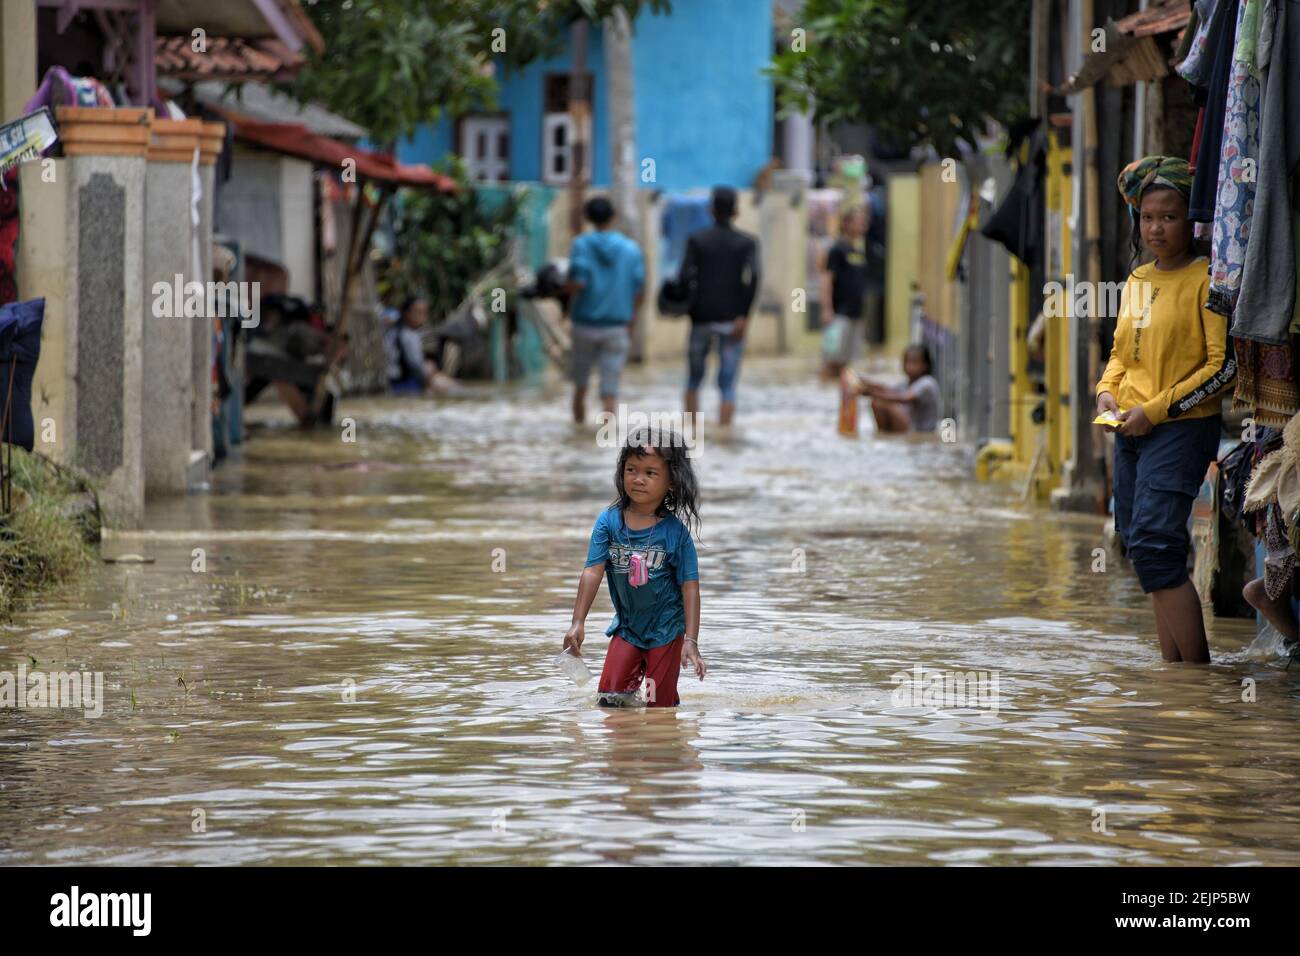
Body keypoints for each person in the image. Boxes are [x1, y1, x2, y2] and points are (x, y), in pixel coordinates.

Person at [1097, 155, 1234, 664]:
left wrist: (1153, 410)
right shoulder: (1136, 279)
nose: (1156, 227)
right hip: (1128, 428)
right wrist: (1105, 393)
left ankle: (1195, 678)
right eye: (1148, 217)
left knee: (1157, 544)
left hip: (1180, 430)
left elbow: (1223, 370)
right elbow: (1120, 353)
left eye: (1169, 216)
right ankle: (1174, 678)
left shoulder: (1208, 279)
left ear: (1190, 222)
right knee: (1141, 546)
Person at [563, 430, 705, 708]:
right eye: (631, 469)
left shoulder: (676, 534)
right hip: (627, 628)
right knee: (609, 701)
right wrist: (578, 621)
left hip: (665, 631)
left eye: (650, 473)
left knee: (659, 710)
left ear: (672, 483)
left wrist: (691, 640)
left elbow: (690, 587)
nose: (638, 479)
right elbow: (593, 571)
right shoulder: (608, 521)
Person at [680, 185, 760, 427]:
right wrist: (744, 317)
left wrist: (689, 305)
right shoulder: (748, 243)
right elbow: (753, 279)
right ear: (736, 211)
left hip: (701, 318)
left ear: (711, 210)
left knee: (694, 379)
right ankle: (725, 435)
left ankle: (691, 435)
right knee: (727, 384)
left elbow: (684, 277)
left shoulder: (696, 240)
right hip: (733, 321)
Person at [566, 197, 645, 424]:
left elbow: (579, 283)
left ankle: (577, 438)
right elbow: (639, 291)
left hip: (583, 326)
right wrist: (632, 320)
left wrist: (562, 288)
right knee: (609, 391)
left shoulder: (580, 244)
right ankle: (606, 443)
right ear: (613, 216)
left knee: (580, 385)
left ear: (588, 218)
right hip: (616, 327)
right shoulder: (631, 249)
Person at [820, 205, 872, 378]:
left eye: (863, 222)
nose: (862, 225)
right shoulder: (837, 250)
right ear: (846, 224)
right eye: (858, 221)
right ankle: (824, 391)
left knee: (848, 362)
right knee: (832, 359)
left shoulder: (858, 251)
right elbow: (827, 279)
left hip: (856, 314)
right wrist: (826, 309)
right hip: (838, 314)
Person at [853, 344, 941, 433]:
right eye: (906, 362)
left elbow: (903, 398)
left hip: (920, 431)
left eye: (914, 363)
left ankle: (886, 436)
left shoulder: (928, 383)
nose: (908, 366)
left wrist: (872, 393)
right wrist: (865, 382)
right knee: (877, 402)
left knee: (882, 402)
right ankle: (884, 436)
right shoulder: (907, 382)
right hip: (909, 427)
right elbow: (886, 389)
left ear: (925, 365)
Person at [384, 297, 443, 395]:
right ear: (406, 313)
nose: (422, 317)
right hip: (405, 385)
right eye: (418, 312)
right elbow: (416, 366)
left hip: (397, 383)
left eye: (424, 313)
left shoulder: (394, 331)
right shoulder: (408, 335)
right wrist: (427, 385)